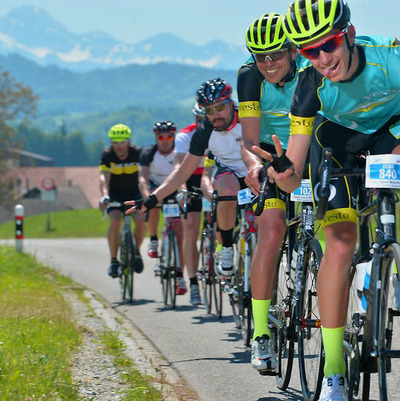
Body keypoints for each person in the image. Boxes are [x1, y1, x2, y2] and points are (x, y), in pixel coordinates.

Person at [253, 0, 400, 399]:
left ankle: (389, 259)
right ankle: (334, 371)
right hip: (337, 145)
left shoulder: (392, 57)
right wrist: (281, 170)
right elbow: (294, 174)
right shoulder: (308, 86)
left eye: (328, 45)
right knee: (338, 244)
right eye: (307, 51)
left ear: (349, 35)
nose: (321, 59)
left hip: (392, 133)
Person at [127, 78, 256, 278]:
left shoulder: (248, 119)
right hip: (228, 173)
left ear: (231, 104)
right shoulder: (204, 132)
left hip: (255, 170)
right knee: (226, 191)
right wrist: (153, 198)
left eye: (220, 108)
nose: (216, 115)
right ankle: (228, 247)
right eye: (209, 111)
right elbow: (182, 172)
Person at [238, 12, 308, 374]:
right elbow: (249, 139)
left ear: (293, 50)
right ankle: (261, 333)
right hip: (269, 156)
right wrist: (253, 165)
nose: (267, 64)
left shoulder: (312, 71)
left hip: (309, 153)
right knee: (272, 231)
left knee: (327, 227)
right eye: (259, 55)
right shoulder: (249, 77)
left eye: (275, 55)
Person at [138, 120, 187, 295]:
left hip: (174, 187)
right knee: (153, 205)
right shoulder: (148, 153)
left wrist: (183, 193)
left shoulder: (178, 152)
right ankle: (153, 240)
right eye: (161, 137)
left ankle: (180, 276)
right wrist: (146, 197)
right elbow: (143, 178)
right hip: (155, 186)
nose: (165, 140)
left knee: (179, 231)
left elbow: (181, 175)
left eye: (169, 136)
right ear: (156, 138)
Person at [99, 123, 146, 278]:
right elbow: (104, 178)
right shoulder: (107, 155)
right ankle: (113, 260)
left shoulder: (137, 153)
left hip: (134, 192)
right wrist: (104, 195)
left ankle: (137, 252)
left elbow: (141, 177)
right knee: (115, 220)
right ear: (111, 143)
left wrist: (145, 195)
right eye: (115, 143)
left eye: (122, 142)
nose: (119, 146)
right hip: (115, 194)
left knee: (140, 219)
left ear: (128, 141)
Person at [173, 103, 206, 305]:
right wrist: (183, 189)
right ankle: (193, 281)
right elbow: (179, 167)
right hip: (191, 179)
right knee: (190, 229)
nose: (203, 123)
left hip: (213, 177)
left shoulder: (219, 132)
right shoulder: (184, 136)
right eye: (199, 119)